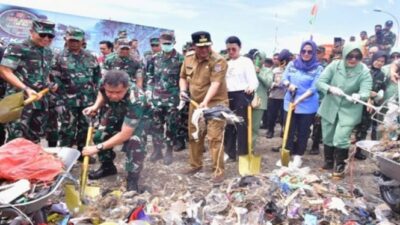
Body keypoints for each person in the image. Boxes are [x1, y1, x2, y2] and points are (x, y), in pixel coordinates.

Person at [82, 70, 146, 191]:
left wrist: (97, 148)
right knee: (100, 135)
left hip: (138, 119)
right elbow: (102, 93)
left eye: (118, 92)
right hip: (117, 111)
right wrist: (95, 106)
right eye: (110, 92)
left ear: (126, 87)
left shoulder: (137, 99)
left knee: (134, 142)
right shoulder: (105, 82)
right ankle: (107, 167)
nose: (114, 96)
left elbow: (125, 134)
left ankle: (133, 178)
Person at [179, 31, 228, 183]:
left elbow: (215, 84)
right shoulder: (188, 59)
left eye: (207, 46)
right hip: (195, 103)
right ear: (194, 46)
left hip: (216, 103)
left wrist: (206, 101)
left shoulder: (218, 61)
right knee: (195, 135)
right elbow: (182, 77)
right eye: (200, 47)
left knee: (214, 138)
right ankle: (195, 165)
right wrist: (183, 90)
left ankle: (218, 171)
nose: (204, 49)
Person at [317, 43, 372, 177]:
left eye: (357, 56)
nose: (353, 59)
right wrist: (330, 88)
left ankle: (340, 166)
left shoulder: (364, 72)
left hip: (349, 110)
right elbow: (320, 82)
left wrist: (359, 95)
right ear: (344, 55)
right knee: (328, 136)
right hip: (330, 106)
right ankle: (329, 161)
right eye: (350, 56)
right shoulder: (334, 66)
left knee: (341, 138)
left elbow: (366, 90)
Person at [0, 19, 57, 143]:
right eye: (42, 35)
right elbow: (4, 71)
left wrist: (49, 84)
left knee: (34, 138)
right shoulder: (17, 47)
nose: (46, 38)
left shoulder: (48, 52)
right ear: (31, 32)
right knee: (16, 137)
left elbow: (44, 73)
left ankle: (31, 162)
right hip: (20, 100)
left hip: (39, 100)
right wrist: (26, 89)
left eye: (50, 36)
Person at [53, 26, 101, 160]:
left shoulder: (90, 56)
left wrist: (96, 97)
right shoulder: (58, 57)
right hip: (67, 101)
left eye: (77, 40)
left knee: (85, 128)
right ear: (65, 39)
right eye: (71, 40)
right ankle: (63, 157)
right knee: (67, 129)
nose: (74, 43)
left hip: (87, 101)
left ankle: (82, 153)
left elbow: (97, 77)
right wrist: (58, 100)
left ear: (83, 41)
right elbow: (54, 79)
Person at [280, 40, 323, 168]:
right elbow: (284, 78)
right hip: (290, 102)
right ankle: (286, 156)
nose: (306, 53)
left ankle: (298, 156)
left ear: (314, 53)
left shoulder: (318, 68)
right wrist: (289, 84)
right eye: (304, 51)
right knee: (288, 130)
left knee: (303, 132)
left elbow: (314, 88)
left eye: (310, 52)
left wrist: (299, 100)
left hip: (307, 105)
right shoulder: (292, 64)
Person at [146, 31, 184, 165]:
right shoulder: (154, 58)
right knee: (156, 125)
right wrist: (149, 92)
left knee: (171, 126)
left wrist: (182, 95)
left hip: (172, 99)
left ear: (174, 43)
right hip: (156, 98)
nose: (166, 46)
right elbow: (150, 76)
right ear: (160, 43)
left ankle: (169, 150)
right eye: (164, 43)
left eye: (169, 43)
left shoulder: (180, 59)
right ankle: (157, 150)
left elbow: (183, 78)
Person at [223, 36, 258, 162]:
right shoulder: (225, 62)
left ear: (239, 47)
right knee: (228, 125)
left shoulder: (246, 61)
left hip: (242, 95)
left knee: (241, 126)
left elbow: (254, 80)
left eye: (234, 49)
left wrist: (251, 87)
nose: (231, 52)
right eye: (228, 49)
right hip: (227, 96)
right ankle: (229, 152)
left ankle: (243, 153)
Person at [354, 51, 387, 159]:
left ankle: (358, 152)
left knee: (364, 128)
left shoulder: (382, 74)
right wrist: (368, 96)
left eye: (382, 61)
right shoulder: (365, 71)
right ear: (373, 59)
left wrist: (379, 93)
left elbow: (382, 87)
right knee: (353, 126)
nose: (379, 63)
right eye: (378, 60)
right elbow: (358, 86)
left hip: (371, 105)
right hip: (360, 102)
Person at [266, 49, 291, 140]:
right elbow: (269, 82)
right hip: (274, 96)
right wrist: (275, 85)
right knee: (271, 115)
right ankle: (270, 131)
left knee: (283, 117)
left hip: (285, 97)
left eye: (285, 60)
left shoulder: (290, 70)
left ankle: (283, 131)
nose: (283, 62)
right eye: (282, 60)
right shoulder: (274, 70)